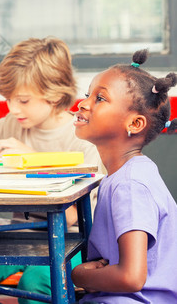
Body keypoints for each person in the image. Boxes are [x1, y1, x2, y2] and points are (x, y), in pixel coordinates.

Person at [0, 37, 103, 304]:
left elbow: (73, 217)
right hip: (14, 240)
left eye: (23, 100)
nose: (13, 109)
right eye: (8, 99)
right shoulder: (11, 125)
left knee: (35, 282)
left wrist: (31, 162)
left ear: (53, 94)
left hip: (71, 243)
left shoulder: (82, 135)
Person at [71, 49, 177, 302]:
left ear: (135, 124)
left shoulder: (130, 185)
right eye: (88, 95)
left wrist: (78, 276)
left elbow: (131, 278)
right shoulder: (126, 175)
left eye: (100, 98)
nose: (83, 103)